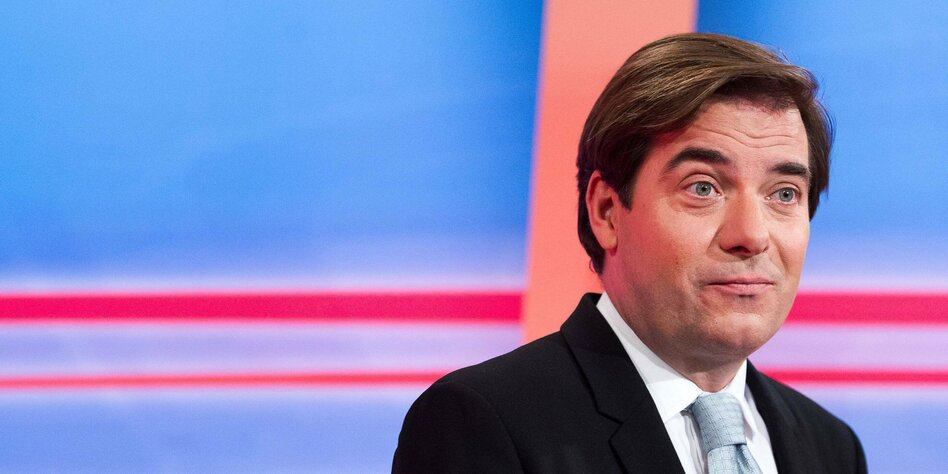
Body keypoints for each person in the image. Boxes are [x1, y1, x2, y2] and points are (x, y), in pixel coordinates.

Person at [393, 33, 866, 473]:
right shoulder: (484, 421)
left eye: (784, 194)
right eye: (703, 187)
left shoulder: (832, 448)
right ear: (607, 211)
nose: (752, 235)